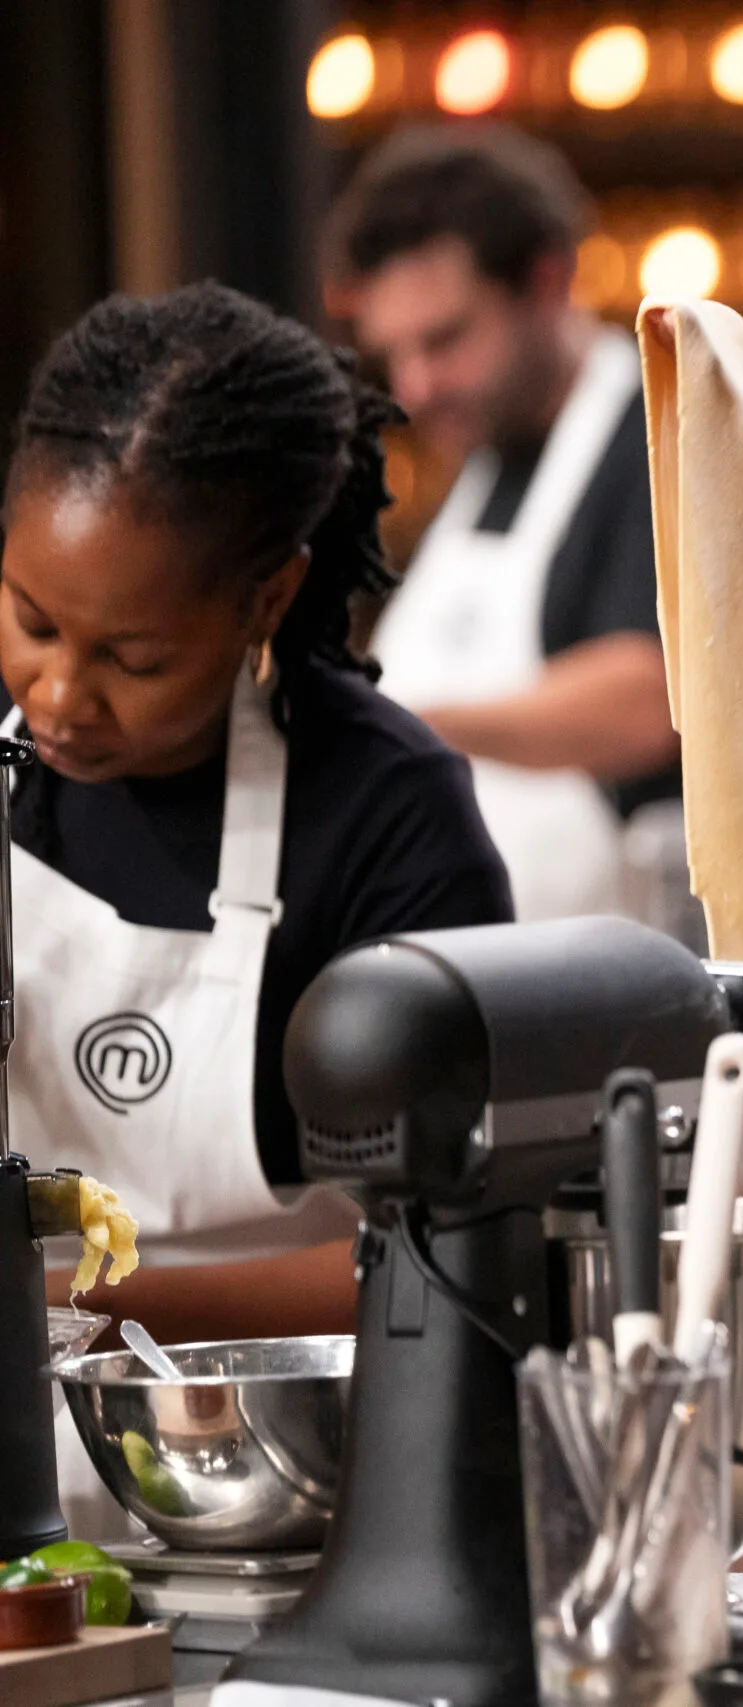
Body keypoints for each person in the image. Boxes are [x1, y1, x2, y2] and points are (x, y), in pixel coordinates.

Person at [4, 285, 513, 1522]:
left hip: (300, 1495)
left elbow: (460, 1258)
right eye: (30, 622)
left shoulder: (384, 816)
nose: (61, 696)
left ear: (269, 599)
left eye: (133, 659)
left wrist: (67, 1310)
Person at [327, 125, 678, 919]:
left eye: (445, 339)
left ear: (548, 280)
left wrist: (404, 728)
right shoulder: (483, 461)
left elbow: (651, 698)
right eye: (395, 354)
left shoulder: (661, 440)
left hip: (618, 951)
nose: (414, 388)